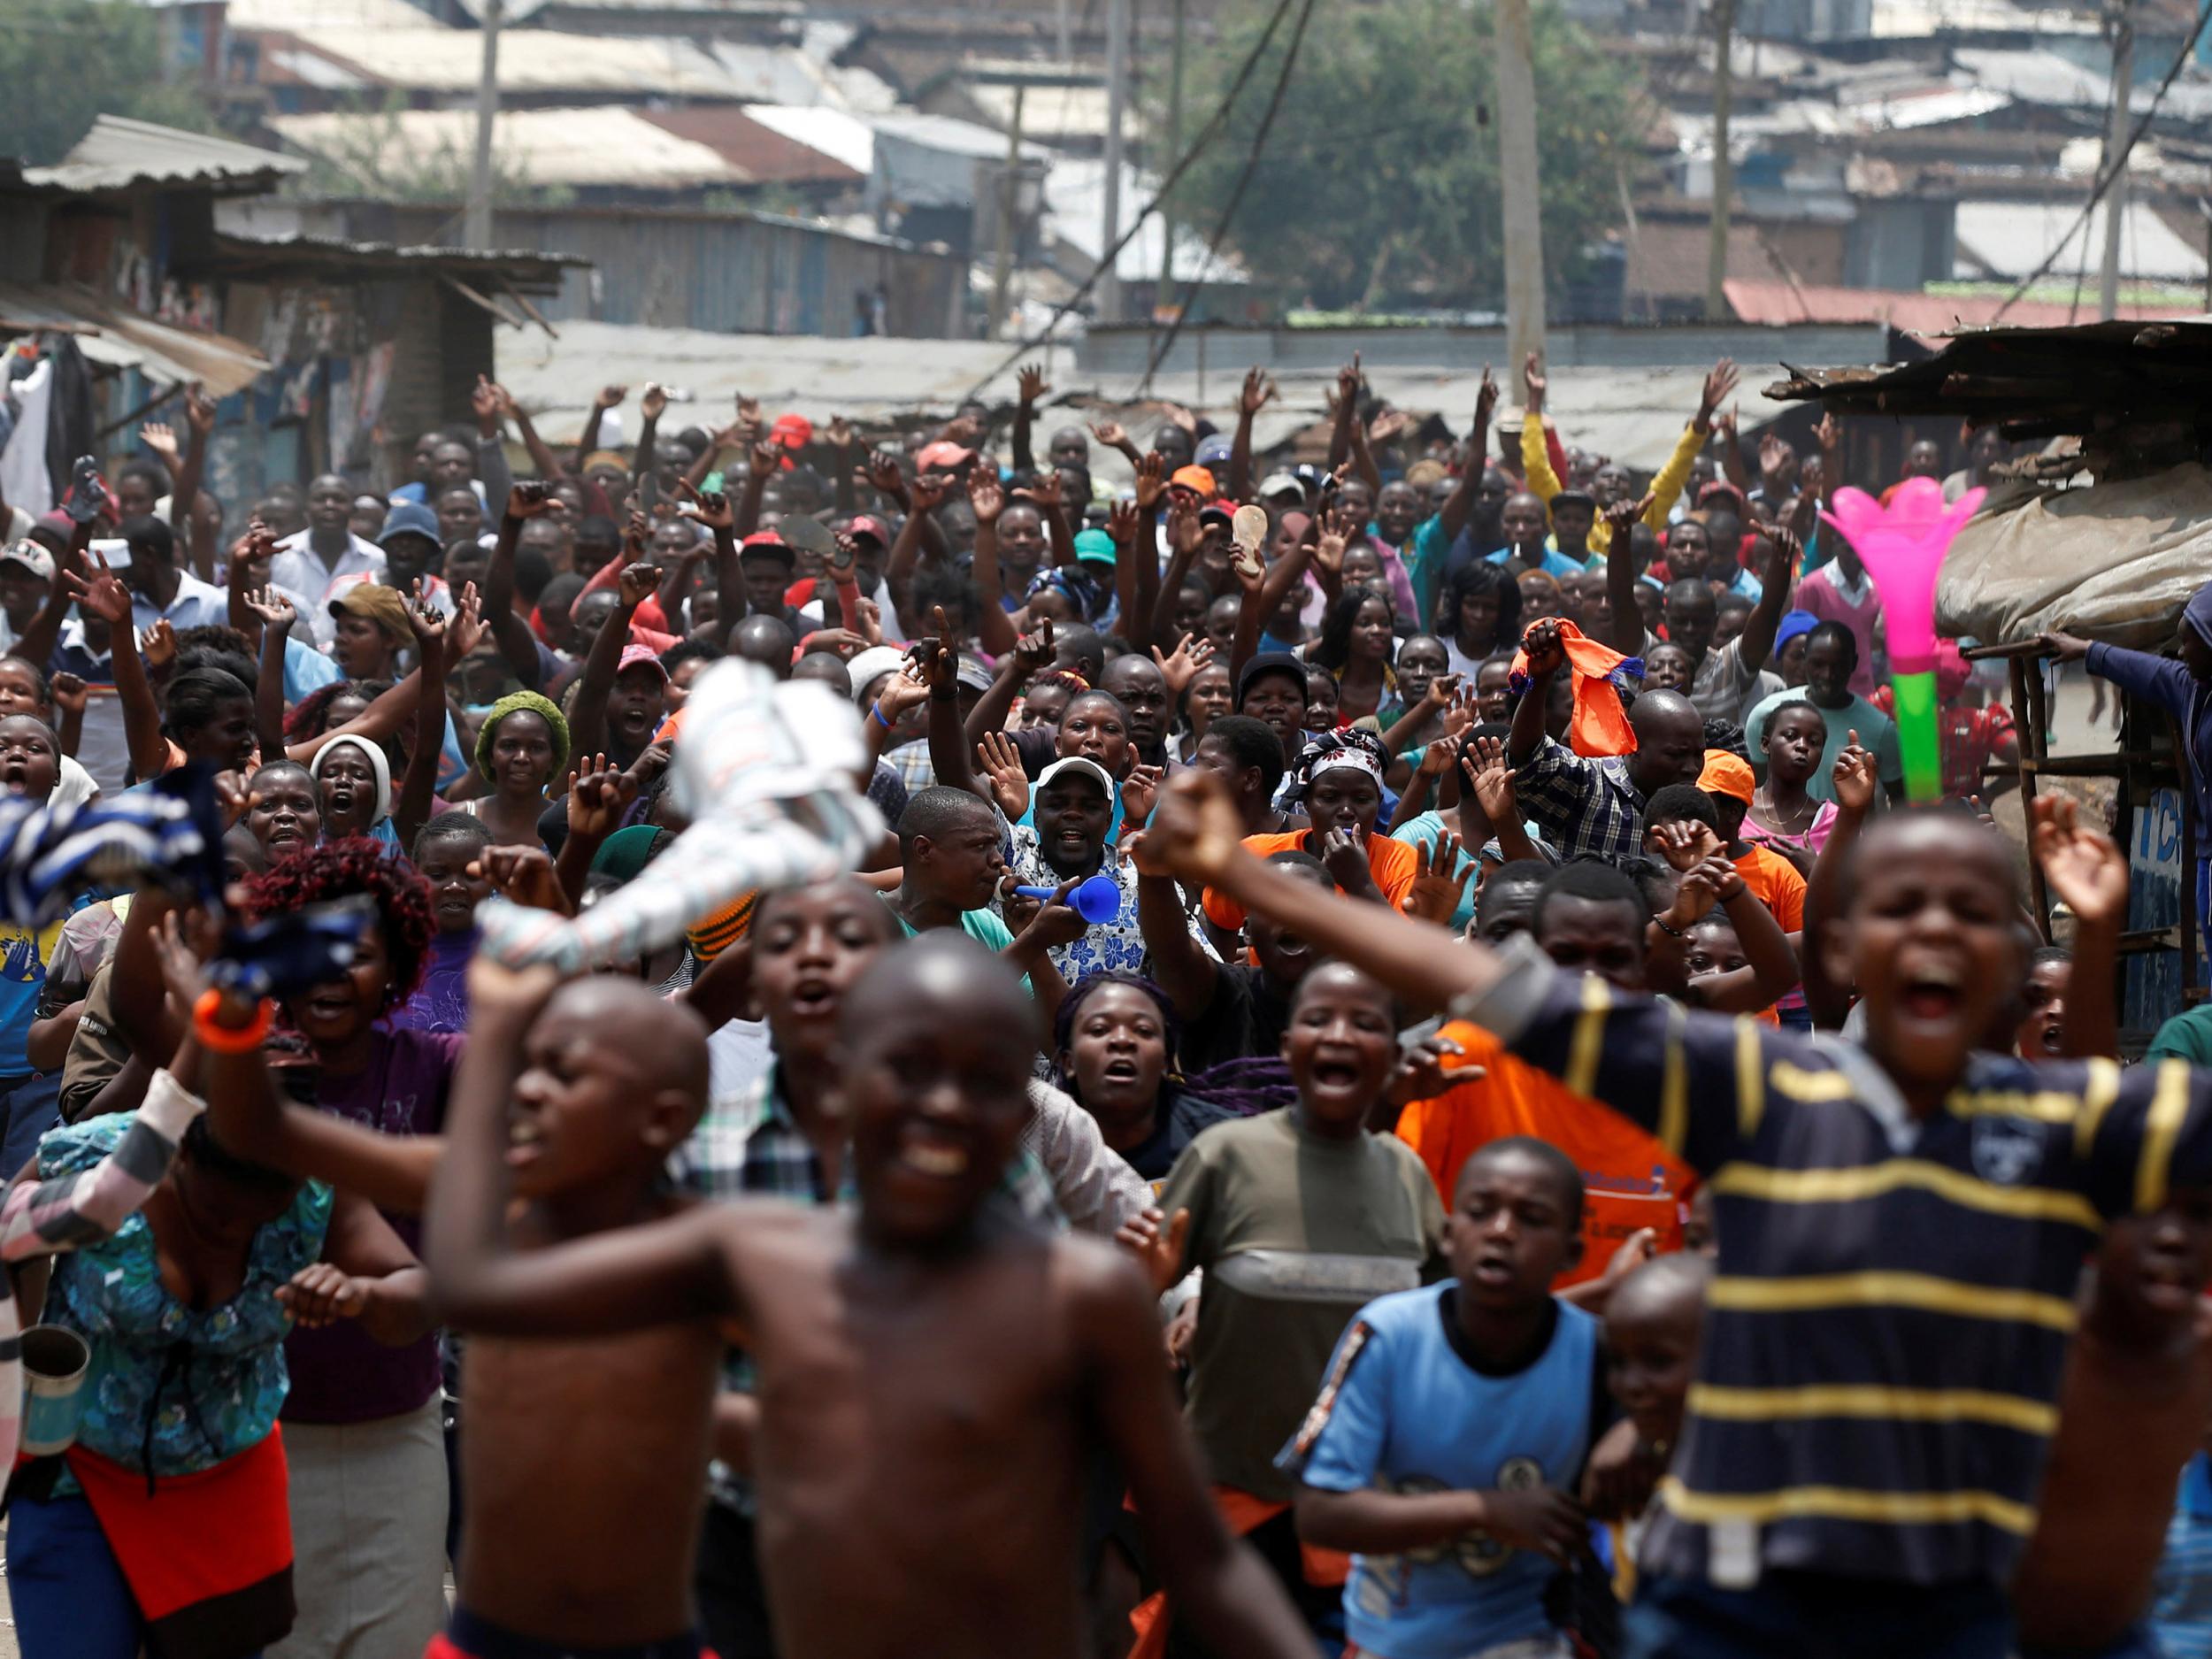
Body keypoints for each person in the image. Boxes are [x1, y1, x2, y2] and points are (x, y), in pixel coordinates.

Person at [1136, 765, 2212, 1658]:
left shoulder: (2066, 1125)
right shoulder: (1760, 1090)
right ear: (1840, 951)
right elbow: (1495, 985)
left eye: (1972, 912)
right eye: (1900, 908)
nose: (1935, 930)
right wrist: (1248, 881)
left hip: (1963, 1605)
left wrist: (2104, 937)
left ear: (2016, 964)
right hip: (1739, 1612)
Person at [423, 936, 1319, 1659]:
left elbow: (1203, 1559)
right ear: (845, 1080)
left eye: (985, 1077)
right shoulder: (758, 1251)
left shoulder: (1080, 1295)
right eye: (908, 1067)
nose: (943, 1104)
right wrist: (500, 1035)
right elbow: (476, 1286)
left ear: (1027, 1107)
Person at [1147, 961, 1447, 1641]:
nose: (1340, 1036)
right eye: (1319, 1019)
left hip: (1363, 1520)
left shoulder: (1407, 1172)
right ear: (1288, 1046)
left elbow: (1435, 1329)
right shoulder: (1226, 1155)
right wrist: (1155, 1283)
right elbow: (1141, 1297)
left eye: (1366, 1023)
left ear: (1393, 1050)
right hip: (1232, 1511)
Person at [1286, 1137, 1606, 1659]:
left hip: (1533, 1637)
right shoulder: (1388, 1334)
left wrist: (1636, 1435)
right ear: (1449, 1234)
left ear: (1571, 1252)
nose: (1501, 1231)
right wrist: (1482, 1511)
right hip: (1389, 1642)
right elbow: (1320, 1513)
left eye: (1532, 1218)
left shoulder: (1596, 1354)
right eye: (1481, 1212)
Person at [2011, 1194, 2212, 1659]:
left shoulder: (2202, 1350)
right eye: (2141, 1213)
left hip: (2127, 1642)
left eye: (2200, 1216)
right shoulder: (2036, 1342)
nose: (2172, 1236)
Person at [1509, 623, 1709, 862]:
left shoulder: (1697, 811)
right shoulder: (1588, 784)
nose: (1691, 768)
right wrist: (1540, 681)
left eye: (1699, 755)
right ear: (1634, 744)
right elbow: (1528, 761)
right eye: (1676, 755)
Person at [1200, 731, 1418, 932]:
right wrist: (1234, 972)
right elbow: (1217, 915)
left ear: (1378, 803)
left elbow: (1413, 957)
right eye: (1329, 798)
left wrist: (1360, 885)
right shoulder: (1256, 854)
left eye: (1361, 799)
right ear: (1307, 802)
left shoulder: (1399, 860)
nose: (1345, 811)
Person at [1741, 622, 1904, 806]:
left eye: (1839, 666)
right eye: (1818, 664)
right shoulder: (1767, 715)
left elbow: (1901, 804)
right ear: (1805, 660)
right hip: (1778, 833)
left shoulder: (1880, 729)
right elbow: (1753, 790)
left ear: (1854, 663)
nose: (1828, 675)